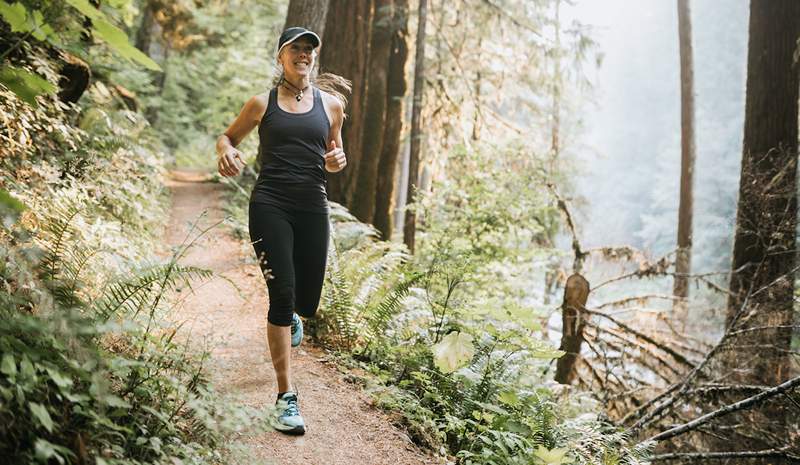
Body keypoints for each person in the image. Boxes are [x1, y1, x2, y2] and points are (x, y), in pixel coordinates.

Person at [215, 26, 348, 435]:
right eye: (296, 48)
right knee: (282, 294)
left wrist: (337, 160)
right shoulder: (260, 104)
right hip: (269, 204)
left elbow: (335, 152)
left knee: (306, 301)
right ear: (281, 57)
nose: (303, 54)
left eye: (309, 49)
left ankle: (294, 316)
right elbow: (226, 136)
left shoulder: (332, 106)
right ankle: (285, 397)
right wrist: (227, 151)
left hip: (312, 206)